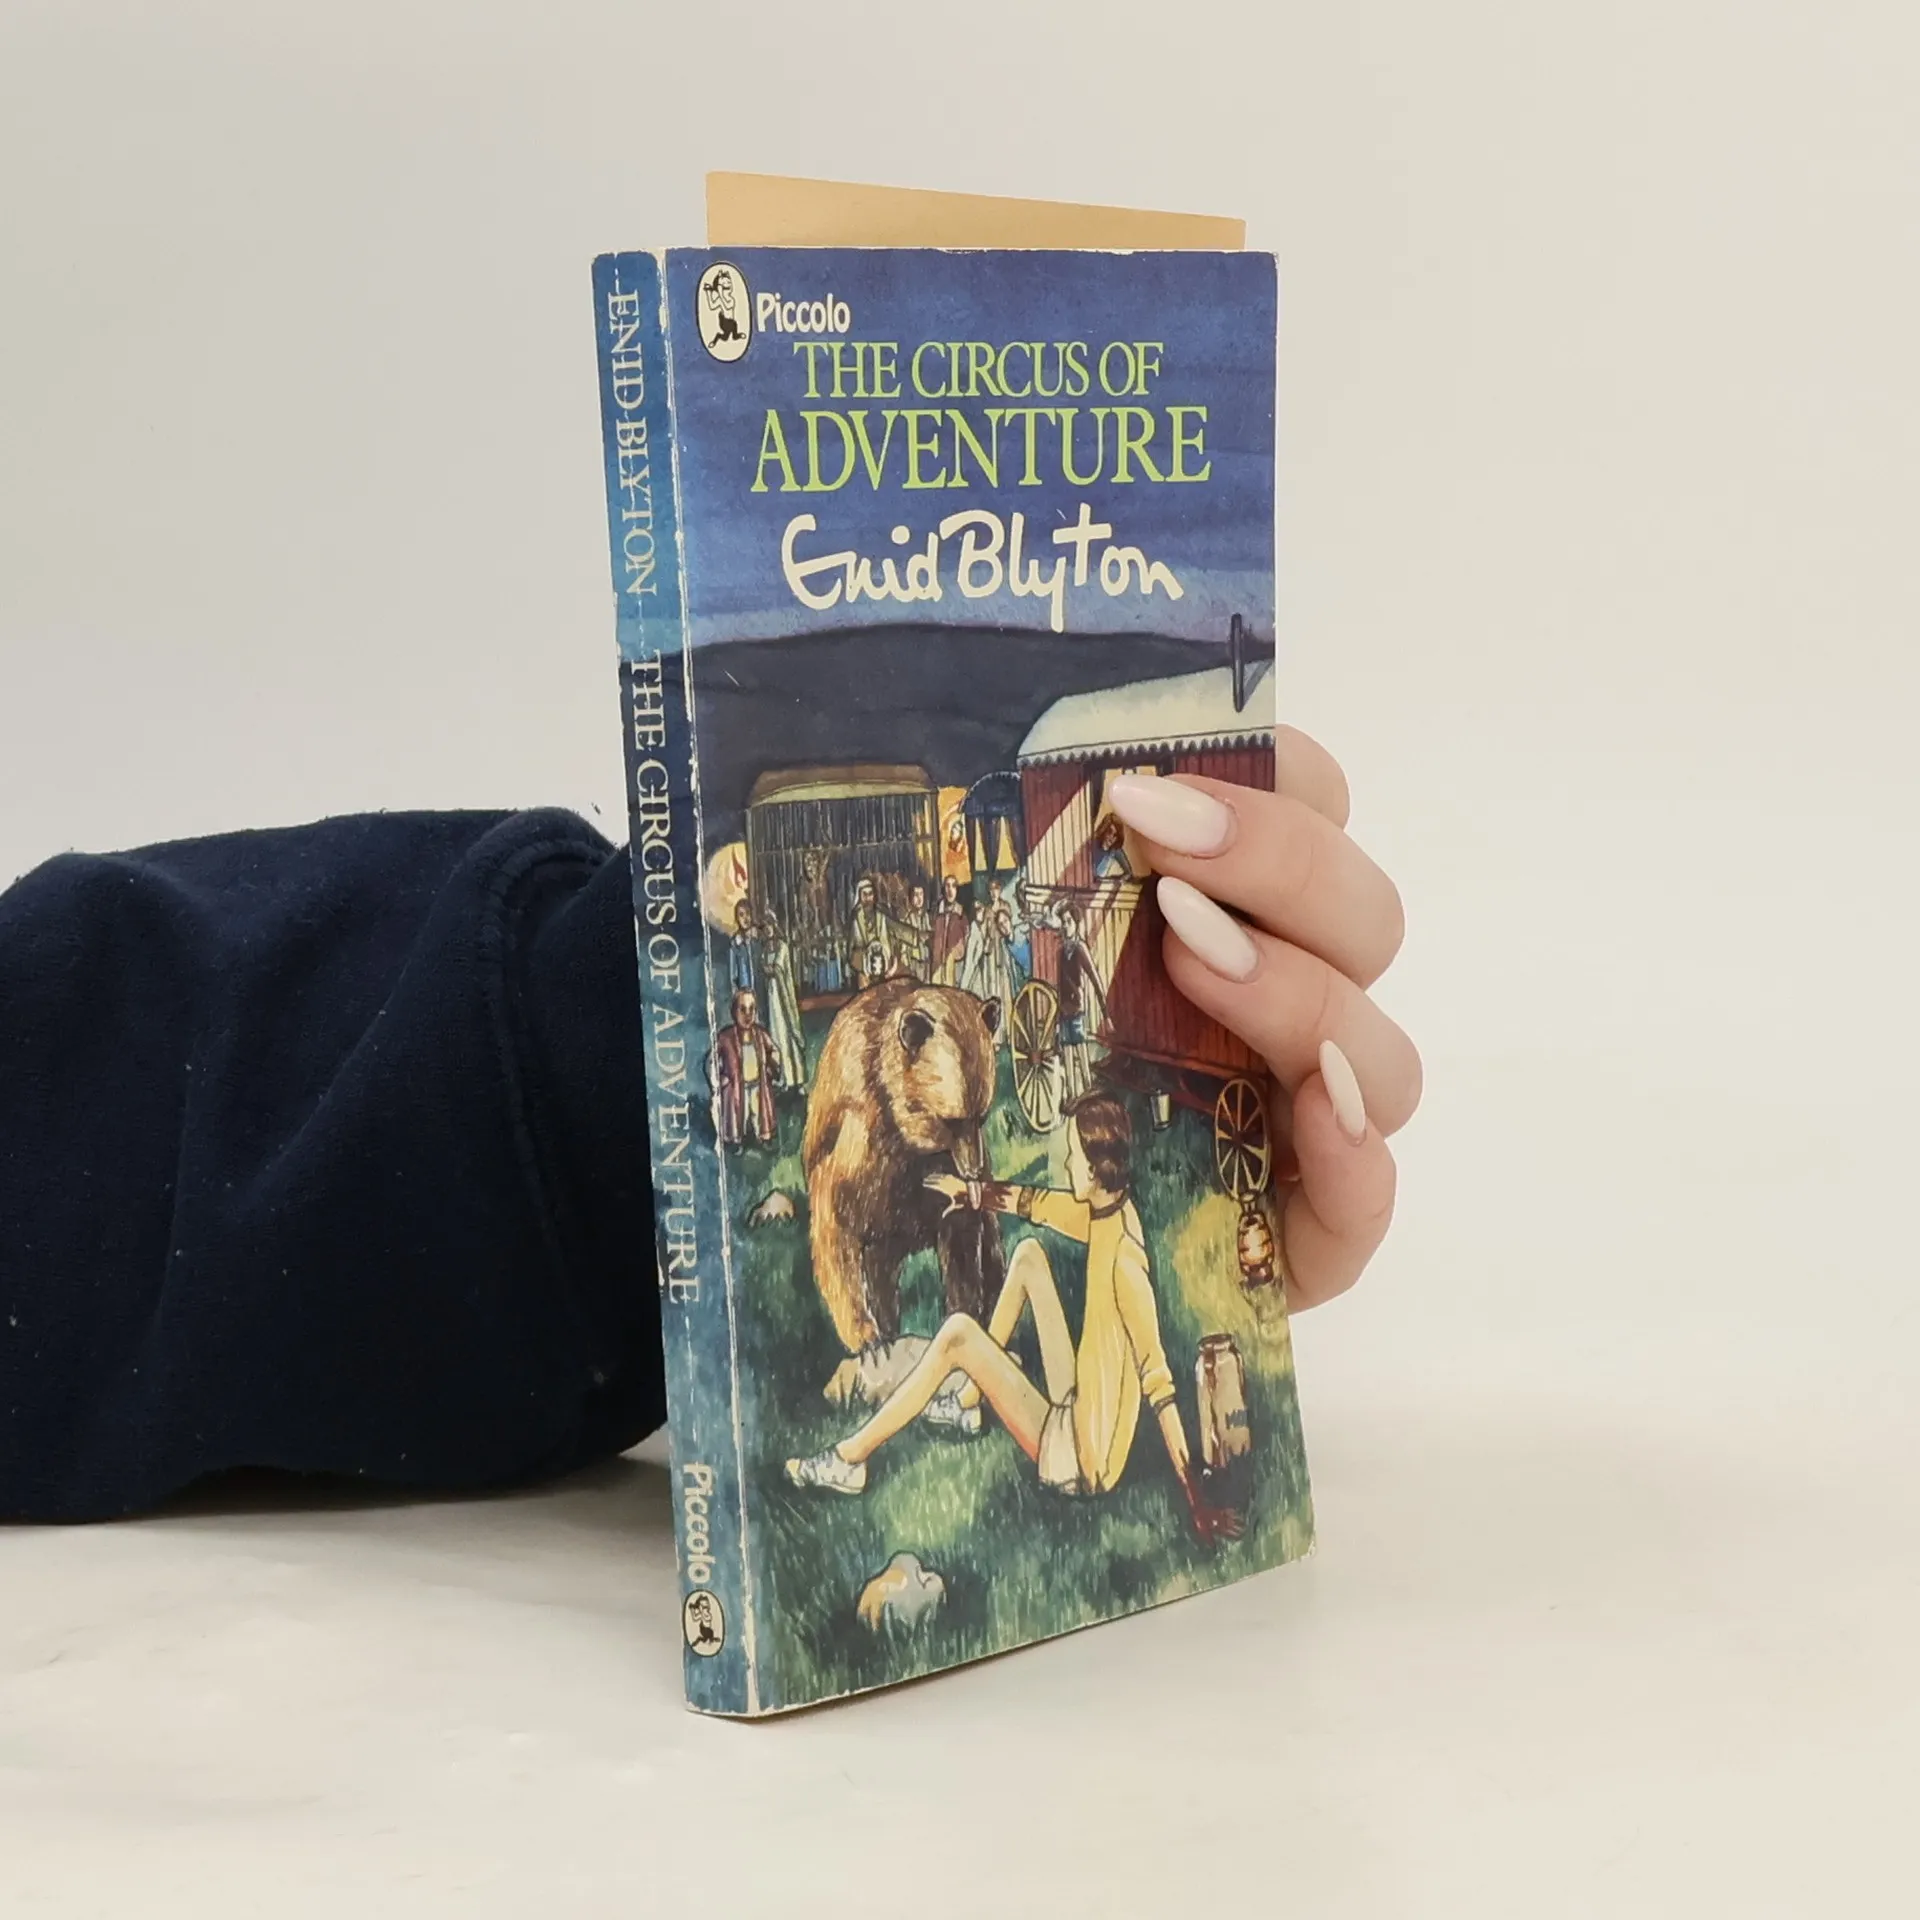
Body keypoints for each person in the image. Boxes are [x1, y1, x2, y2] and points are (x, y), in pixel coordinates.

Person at [0, 744, 1417, 1523]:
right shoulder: (898, 1088)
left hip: (1065, 1440)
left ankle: (865, 1435)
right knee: (965, 1299)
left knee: (990, 1289)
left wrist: (601, 1080)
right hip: (1063, 1428)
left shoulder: (1017, 1141)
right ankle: (861, 1434)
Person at [784, 1094, 1239, 1541]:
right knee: (1028, 1256)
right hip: (1079, 1408)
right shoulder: (1112, 1214)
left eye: (1073, 1157)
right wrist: (971, 1193)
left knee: (958, 1334)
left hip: (1079, 1461)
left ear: (1095, 1171)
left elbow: (1158, 1383)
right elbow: (1036, 1203)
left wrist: (1194, 1498)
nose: (1066, 1166)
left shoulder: (1125, 1261)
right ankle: (966, 1403)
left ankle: (851, 1458)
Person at [1050, 899, 1108, 1103]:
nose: (1065, 926)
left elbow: (1094, 978)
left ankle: (1088, 1088)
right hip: (1063, 1009)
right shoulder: (1060, 951)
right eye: (1063, 922)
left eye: (1069, 922)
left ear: (1076, 924)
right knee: (1067, 1050)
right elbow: (1059, 984)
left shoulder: (1080, 948)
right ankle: (1072, 1094)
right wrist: (1057, 1014)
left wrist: (1106, 1013)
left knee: (1080, 1046)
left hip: (1076, 1008)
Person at [711, 988, 783, 1149]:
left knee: (759, 1113)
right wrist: (720, 1079)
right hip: (737, 1087)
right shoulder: (726, 1037)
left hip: (757, 1084)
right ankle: (735, 1141)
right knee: (738, 1115)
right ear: (733, 1012)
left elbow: (774, 1051)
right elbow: (711, 1060)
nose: (748, 1015)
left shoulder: (760, 1034)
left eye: (752, 1009)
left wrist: (771, 1069)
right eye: (742, 1010)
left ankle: (764, 1138)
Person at [755, 907, 808, 1093]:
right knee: (776, 1035)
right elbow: (763, 970)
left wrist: (770, 969)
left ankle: (797, 1078)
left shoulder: (783, 947)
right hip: (772, 998)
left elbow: (778, 969)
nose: (768, 929)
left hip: (783, 997)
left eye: (770, 925)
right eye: (764, 927)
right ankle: (783, 1077)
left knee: (788, 1034)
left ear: (775, 926)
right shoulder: (764, 950)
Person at [847, 874, 893, 990]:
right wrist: (865, 958)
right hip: (863, 970)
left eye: (870, 894)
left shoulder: (881, 917)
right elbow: (851, 951)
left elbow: (886, 942)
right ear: (859, 896)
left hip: (881, 967)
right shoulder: (855, 920)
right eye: (864, 894)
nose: (868, 898)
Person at [930, 874, 968, 985]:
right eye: (947, 886)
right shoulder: (936, 912)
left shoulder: (961, 914)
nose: (950, 890)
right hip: (937, 966)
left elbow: (966, 938)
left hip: (954, 966)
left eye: (953, 886)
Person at [893, 881, 933, 982]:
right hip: (914, 964)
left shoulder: (927, 917)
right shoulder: (907, 920)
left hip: (927, 962)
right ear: (911, 898)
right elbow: (903, 948)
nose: (919, 898)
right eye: (916, 895)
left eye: (921, 894)